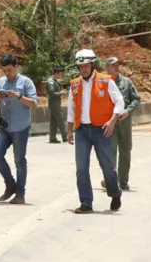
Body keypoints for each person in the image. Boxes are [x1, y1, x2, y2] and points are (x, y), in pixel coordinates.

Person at [67, 49, 125, 214]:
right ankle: (86, 203)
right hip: (82, 131)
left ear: (92, 64)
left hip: (102, 129)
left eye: (86, 65)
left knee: (107, 165)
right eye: (81, 66)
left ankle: (115, 193)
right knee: (81, 168)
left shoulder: (106, 81)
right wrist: (69, 130)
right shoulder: (75, 84)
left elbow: (119, 101)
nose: (83, 69)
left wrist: (113, 121)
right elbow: (71, 109)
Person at [0, 54, 39, 204]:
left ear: (17, 67)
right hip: (3, 127)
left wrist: (18, 97)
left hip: (20, 127)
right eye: (4, 70)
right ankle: (10, 184)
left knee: (19, 160)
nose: (7, 73)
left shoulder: (26, 82)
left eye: (10, 70)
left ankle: (20, 194)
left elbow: (34, 103)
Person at [101, 57, 140, 190]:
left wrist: (128, 111)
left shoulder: (127, 82)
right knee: (110, 152)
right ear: (107, 67)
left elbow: (136, 99)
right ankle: (111, 180)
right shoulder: (102, 82)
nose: (117, 67)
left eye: (118, 64)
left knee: (125, 151)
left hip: (124, 122)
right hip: (108, 122)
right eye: (113, 65)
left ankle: (123, 181)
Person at [47, 66, 67, 143]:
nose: (60, 76)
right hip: (54, 104)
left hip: (54, 104)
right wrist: (60, 93)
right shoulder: (51, 81)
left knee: (54, 122)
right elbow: (51, 93)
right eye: (59, 74)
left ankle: (52, 138)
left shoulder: (53, 81)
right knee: (60, 119)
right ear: (56, 73)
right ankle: (65, 137)